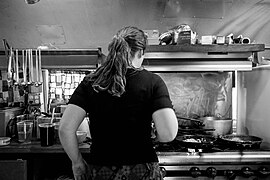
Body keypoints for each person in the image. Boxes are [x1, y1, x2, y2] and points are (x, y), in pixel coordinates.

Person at [59, 26, 178, 180]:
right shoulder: (153, 82)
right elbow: (168, 134)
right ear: (141, 52)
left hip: (102, 170)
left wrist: (77, 162)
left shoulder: (91, 82)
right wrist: (154, 135)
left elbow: (65, 129)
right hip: (142, 170)